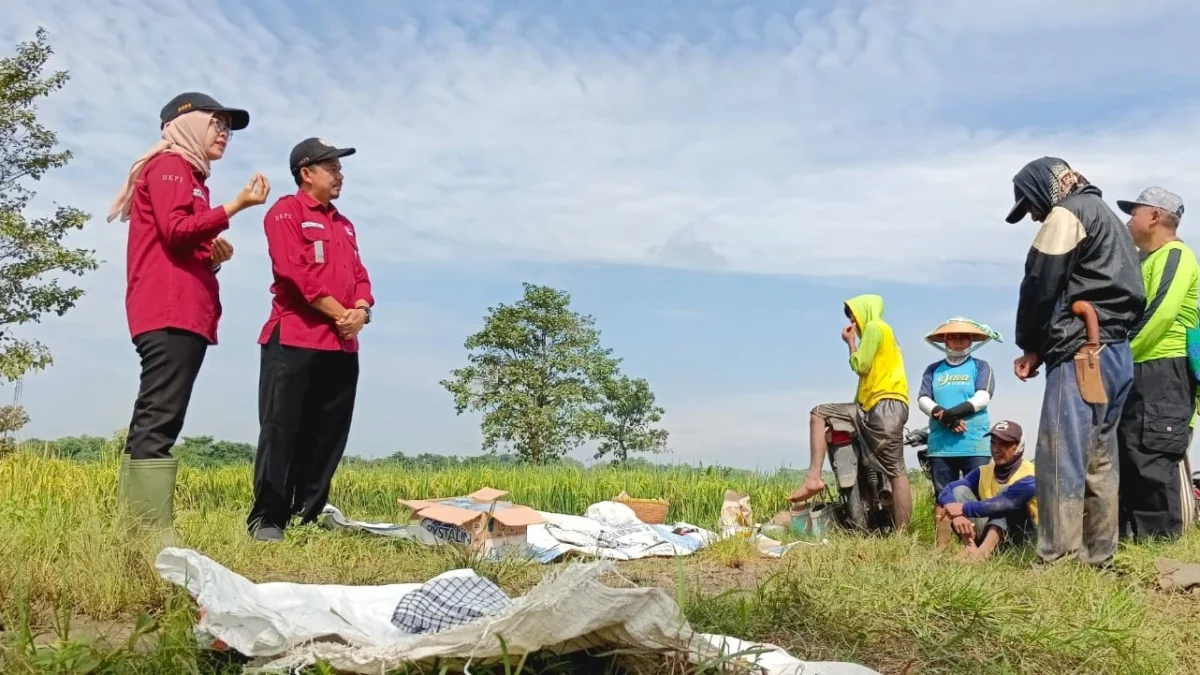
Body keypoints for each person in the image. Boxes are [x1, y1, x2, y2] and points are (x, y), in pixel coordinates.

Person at [107, 92, 270, 540]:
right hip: (168, 309)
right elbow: (176, 230)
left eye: (228, 128)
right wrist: (234, 208)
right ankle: (147, 528)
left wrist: (213, 256)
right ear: (188, 125)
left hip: (182, 310)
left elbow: (182, 242)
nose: (224, 134)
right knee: (160, 414)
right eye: (217, 124)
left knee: (159, 413)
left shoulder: (190, 176)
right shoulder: (171, 168)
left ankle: (138, 526)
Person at [1004, 156, 1144, 568]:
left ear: (1048, 189)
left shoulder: (1068, 213)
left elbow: (1039, 283)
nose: (1032, 215)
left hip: (1082, 351)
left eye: (1030, 203)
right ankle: (1098, 558)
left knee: (1060, 454)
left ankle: (1057, 559)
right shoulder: (1114, 224)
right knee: (1100, 458)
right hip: (1116, 353)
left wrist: (1030, 345)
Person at [246, 137, 374, 542]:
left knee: (328, 432)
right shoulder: (287, 212)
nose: (340, 175)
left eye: (339, 168)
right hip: (296, 339)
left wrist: (362, 311)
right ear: (307, 172)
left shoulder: (344, 224)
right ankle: (268, 518)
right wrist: (342, 314)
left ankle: (308, 514)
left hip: (341, 345)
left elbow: (360, 277)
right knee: (283, 428)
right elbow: (294, 273)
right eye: (332, 167)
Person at [1116, 187, 1199, 540]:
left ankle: (1164, 549)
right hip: (1140, 369)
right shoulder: (1144, 260)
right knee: (1132, 456)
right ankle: (1141, 547)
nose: (1128, 220)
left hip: (1164, 369)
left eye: (1133, 212)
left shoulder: (1176, 255)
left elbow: (1158, 315)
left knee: (1154, 458)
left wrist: (1115, 360)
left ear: (1154, 216)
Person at [789, 294, 912, 532]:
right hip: (875, 407)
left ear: (865, 311)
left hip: (884, 407)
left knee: (896, 472)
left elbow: (860, 366)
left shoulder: (876, 328)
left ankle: (903, 535)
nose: (852, 320)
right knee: (820, 413)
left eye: (853, 314)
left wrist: (850, 343)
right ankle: (814, 478)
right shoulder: (885, 336)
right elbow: (865, 384)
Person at [916, 318, 1002, 548]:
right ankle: (942, 546)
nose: (958, 341)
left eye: (963, 336)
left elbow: (982, 398)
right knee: (943, 493)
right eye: (953, 336)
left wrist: (950, 414)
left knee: (978, 491)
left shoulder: (981, 366)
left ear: (972, 340)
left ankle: (980, 543)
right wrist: (942, 415)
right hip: (941, 444)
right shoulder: (933, 370)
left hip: (974, 442)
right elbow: (923, 399)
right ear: (944, 340)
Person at [937, 420, 1038, 562]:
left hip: (1023, 537)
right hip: (989, 534)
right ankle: (971, 549)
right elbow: (947, 490)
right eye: (993, 443)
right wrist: (958, 515)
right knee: (959, 490)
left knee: (1005, 499)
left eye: (1004, 444)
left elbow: (1006, 502)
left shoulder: (1032, 474)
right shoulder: (983, 471)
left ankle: (981, 556)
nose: (996, 449)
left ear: (1018, 447)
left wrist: (963, 508)